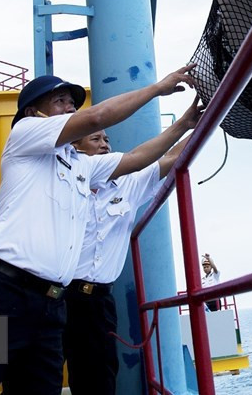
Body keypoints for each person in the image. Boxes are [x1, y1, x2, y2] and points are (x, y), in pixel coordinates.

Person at [0, 65, 199, 395]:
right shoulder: (25, 134)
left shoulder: (81, 165)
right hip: (1, 294)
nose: (70, 108)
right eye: (60, 101)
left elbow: (137, 158)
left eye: (72, 103)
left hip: (50, 305)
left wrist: (184, 124)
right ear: (33, 112)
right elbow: (97, 117)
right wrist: (157, 88)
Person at [63, 103, 198, 395]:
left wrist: (208, 122)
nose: (105, 144)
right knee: (16, 370)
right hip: (50, 294)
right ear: (74, 148)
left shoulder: (128, 185)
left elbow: (171, 157)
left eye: (107, 139)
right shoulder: (61, 182)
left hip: (95, 302)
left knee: (97, 381)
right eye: (95, 138)